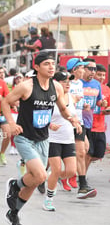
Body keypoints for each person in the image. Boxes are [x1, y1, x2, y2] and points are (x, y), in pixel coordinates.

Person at [1, 52, 82, 225]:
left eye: (53, 63)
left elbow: (62, 108)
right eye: (46, 64)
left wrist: (72, 119)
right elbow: (6, 102)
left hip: (43, 139)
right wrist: (12, 123)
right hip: (25, 138)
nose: (51, 67)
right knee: (41, 175)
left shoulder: (57, 87)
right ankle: (15, 185)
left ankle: (13, 212)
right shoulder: (26, 86)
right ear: (37, 67)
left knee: (35, 180)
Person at [44, 71, 77, 211]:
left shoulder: (72, 97)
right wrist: (50, 125)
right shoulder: (49, 98)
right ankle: (49, 199)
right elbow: (41, 117)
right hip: (53, 139)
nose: (68, 83)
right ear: (55, 83)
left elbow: (74, 116)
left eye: (69, 80)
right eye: (64, 81)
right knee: (56, 169)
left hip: (68, 139)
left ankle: (50, 179)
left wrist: (78, 125)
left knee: (70, 171)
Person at [62, 58, 92, 195]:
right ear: (74, 69)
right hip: (68, 122)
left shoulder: (80, 83)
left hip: (79, 121)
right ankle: (81, 184)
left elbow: (80, 100)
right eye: (81, 67)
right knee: (79, 153)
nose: (84, 70)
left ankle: (70, 177)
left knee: (85, 149)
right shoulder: (65, 83)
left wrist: (84, 105)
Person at [83, 61, 108, 189]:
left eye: (104, 75)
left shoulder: (105, 88)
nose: (102, 77)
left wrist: (105, 108)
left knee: (98, 154)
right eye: (99, 74)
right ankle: (82, 177)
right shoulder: (85, 85)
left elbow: (102, 104)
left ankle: (79, 166)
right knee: (88, 153)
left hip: (100, 126)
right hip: (88, 125)